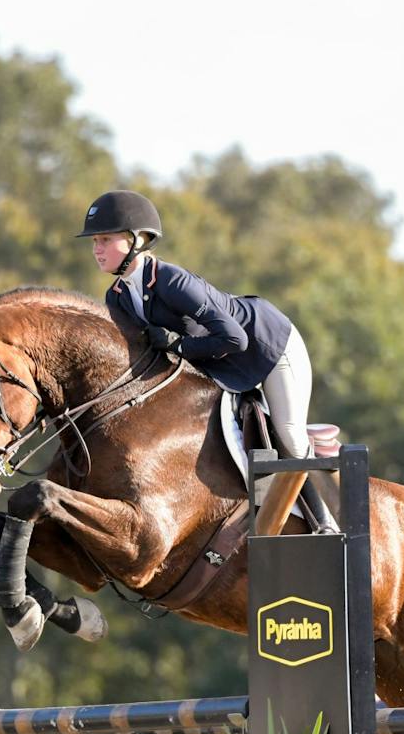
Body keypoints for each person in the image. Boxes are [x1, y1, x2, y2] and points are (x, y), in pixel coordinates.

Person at [76, 189, 336, 531]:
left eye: (105, 239)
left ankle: (327, 521)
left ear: (137, 240)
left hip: (267, 343)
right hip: (217, 361)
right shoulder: (118, 296)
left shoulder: (171, 281)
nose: (96, 249)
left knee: (287, 433)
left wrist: (178, 346)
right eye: (95, 241)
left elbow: (234, 338)